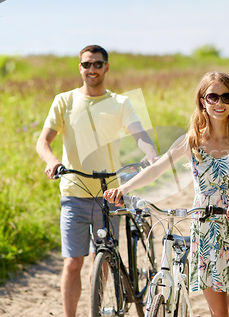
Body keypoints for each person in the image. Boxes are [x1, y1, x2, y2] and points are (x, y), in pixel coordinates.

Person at [104, 71, 229, 317]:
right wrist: (123, 189)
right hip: (204, 231)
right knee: (218, 314)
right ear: (202, 100)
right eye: (213, 97)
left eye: (226, 97)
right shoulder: (190, 141)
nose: (220, 103)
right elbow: (155, 171)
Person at [36, 45, 158, 317]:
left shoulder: (120, 103)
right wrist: (52, 161)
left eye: (98, 64)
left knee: (101, 260)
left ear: (106, 67)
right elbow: (43, 141)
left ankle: (96, 311)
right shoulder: (64, 101)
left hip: (110, 194)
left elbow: (138, 133)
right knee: (72, 263)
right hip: (73, 192)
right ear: (79, 67)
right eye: (87, 64)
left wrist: (150, 153)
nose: (92, 69)